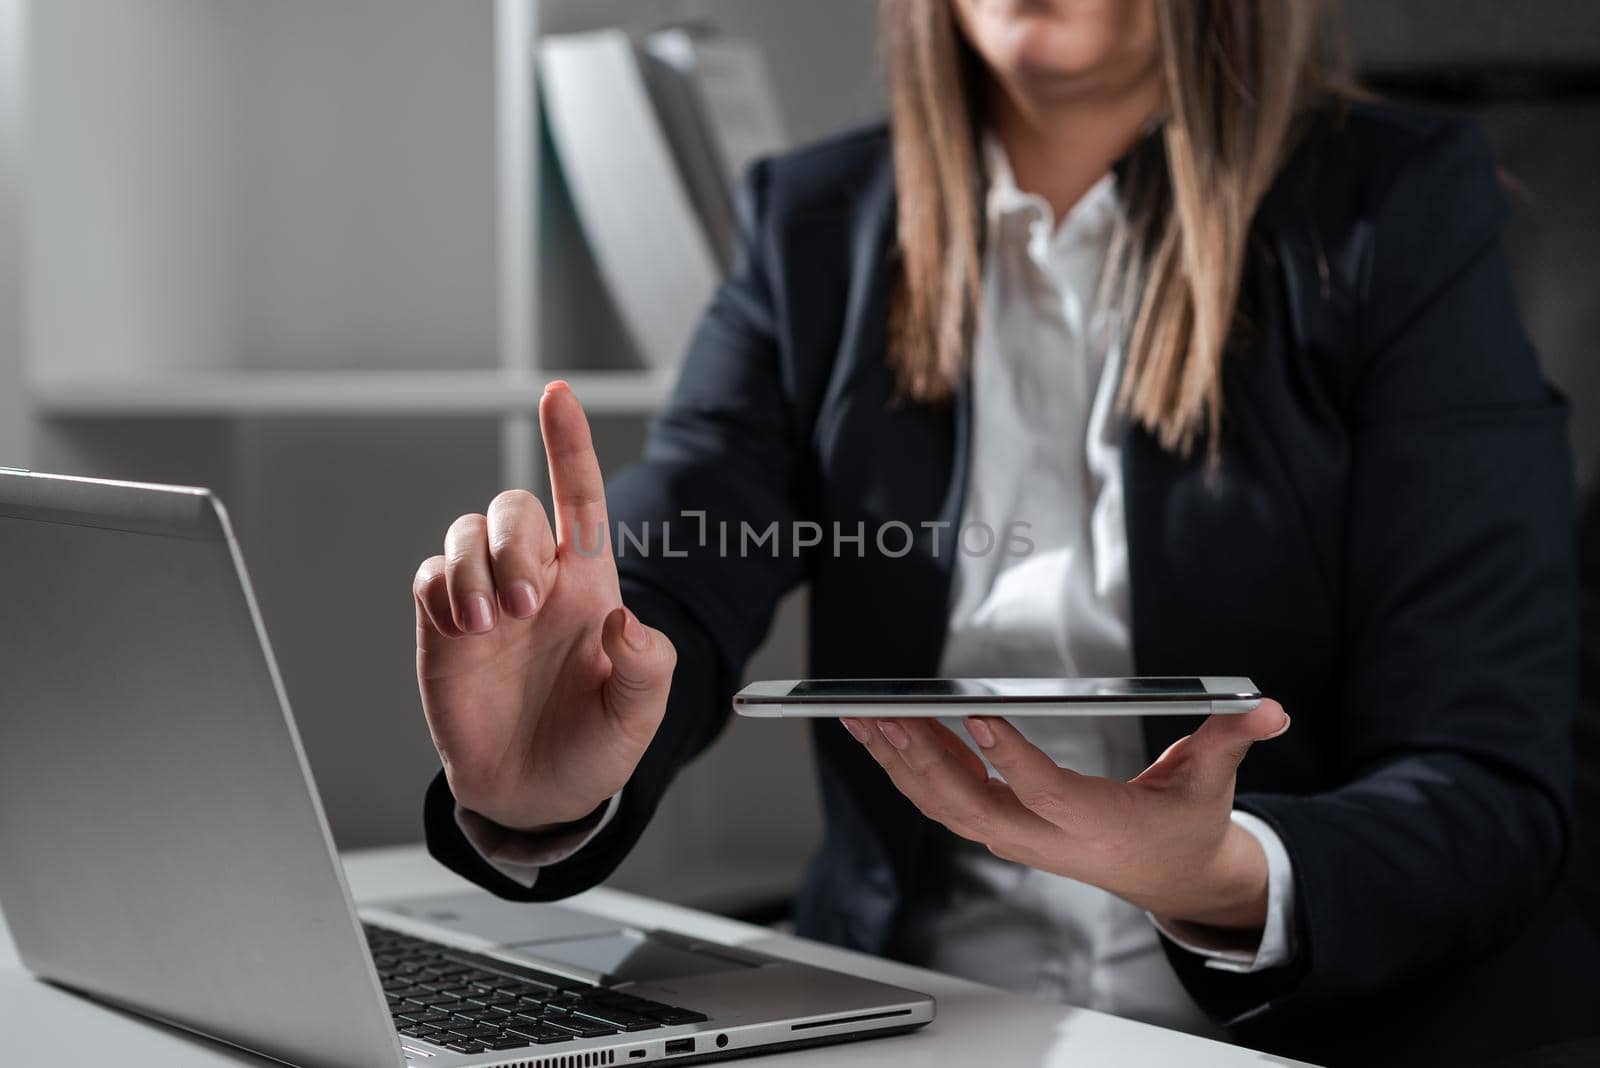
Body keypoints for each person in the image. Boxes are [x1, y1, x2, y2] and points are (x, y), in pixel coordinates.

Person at [411, 1, 1600, 1062]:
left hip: (1308, 1033)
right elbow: (679, 562)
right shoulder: (810, 223)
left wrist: (1220, 872)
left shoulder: (1399, 207)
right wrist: (545, 784)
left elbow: (1489, 784)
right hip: (919, 1017)